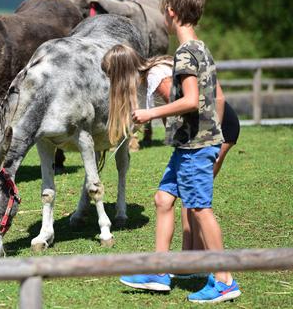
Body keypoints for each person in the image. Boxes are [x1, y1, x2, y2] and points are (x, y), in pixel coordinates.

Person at [113, 0, 241, 303]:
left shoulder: (184, 53)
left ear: (171, 12)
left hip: (195, 147)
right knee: (163, 199)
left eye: (163, 15)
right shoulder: (201, 47)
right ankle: (160, 270)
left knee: (199, 209)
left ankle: (224, 280)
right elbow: (219, 97)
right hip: (191, 144)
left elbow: (192, 100)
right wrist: (215, 134)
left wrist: (149, 113)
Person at [102, 43, 241, 270]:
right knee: (169, 199)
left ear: (120, 73)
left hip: (212, 132)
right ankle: (185, 262)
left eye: (111, 76)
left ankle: (201, 264)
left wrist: (150, 114)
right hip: (197, 135)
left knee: (195, 201)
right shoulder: (154, 71)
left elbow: (184, 105)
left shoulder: (157, 76)